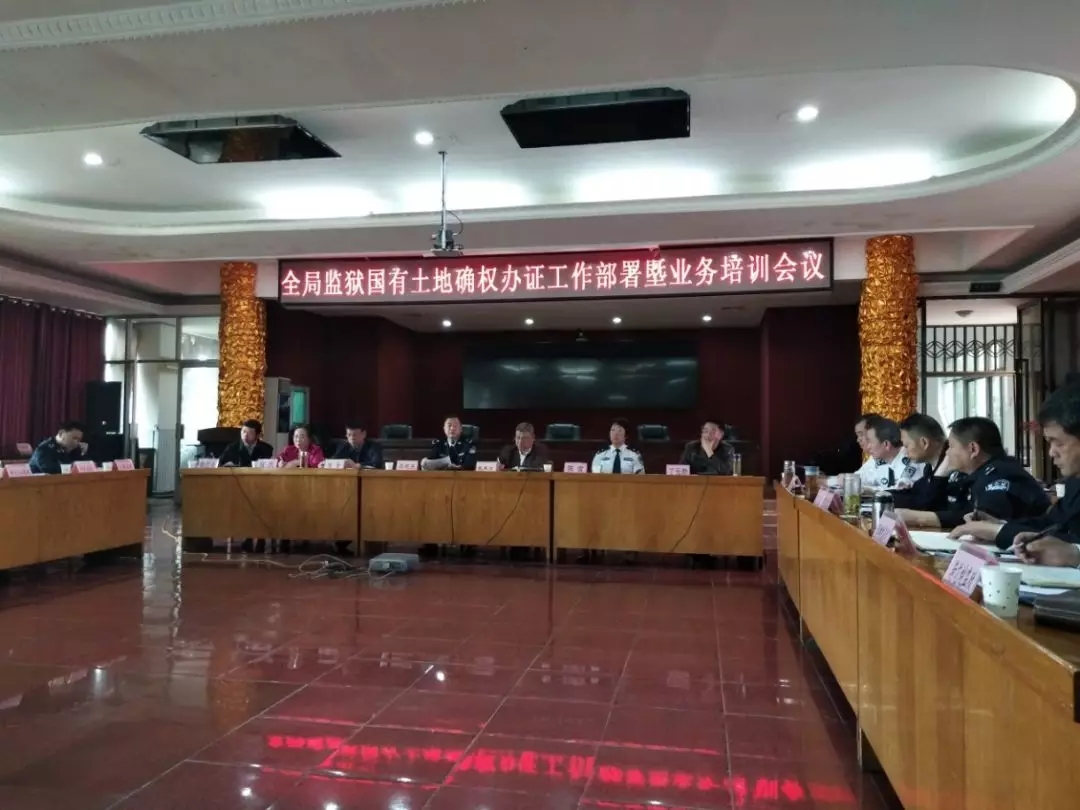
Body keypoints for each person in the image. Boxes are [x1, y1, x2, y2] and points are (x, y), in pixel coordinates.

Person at [951, 385, 1080, 565]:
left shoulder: (1004, 473)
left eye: (1058, 443)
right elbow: (1050, 525)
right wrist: (1000, 525)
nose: (1052, 452)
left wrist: (1076, 553)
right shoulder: (1074, 483)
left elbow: (1068, 543)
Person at [901, 417, 1047, 530]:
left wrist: (919, 517)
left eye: (951, 446)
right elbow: (946, 506)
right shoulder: (972, 475)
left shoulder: (1001, 476)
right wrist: (940, 476)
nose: (947, 453)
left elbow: (980, 521)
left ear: (973, 449)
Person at [892, 412, 953, 515]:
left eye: (907, 446)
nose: (905, 453)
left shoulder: (954, 464)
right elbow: (916, 494)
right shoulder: (929, 466)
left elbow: (926, 504)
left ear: (924, 443)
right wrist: (880, 495)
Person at [853, 415, 920, 489]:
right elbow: (858, 478)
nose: (868, 447)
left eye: (871, 442)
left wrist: (870, 490)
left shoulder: (911, 459)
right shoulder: (877, 459)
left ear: (886, 444)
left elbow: (900, 491)